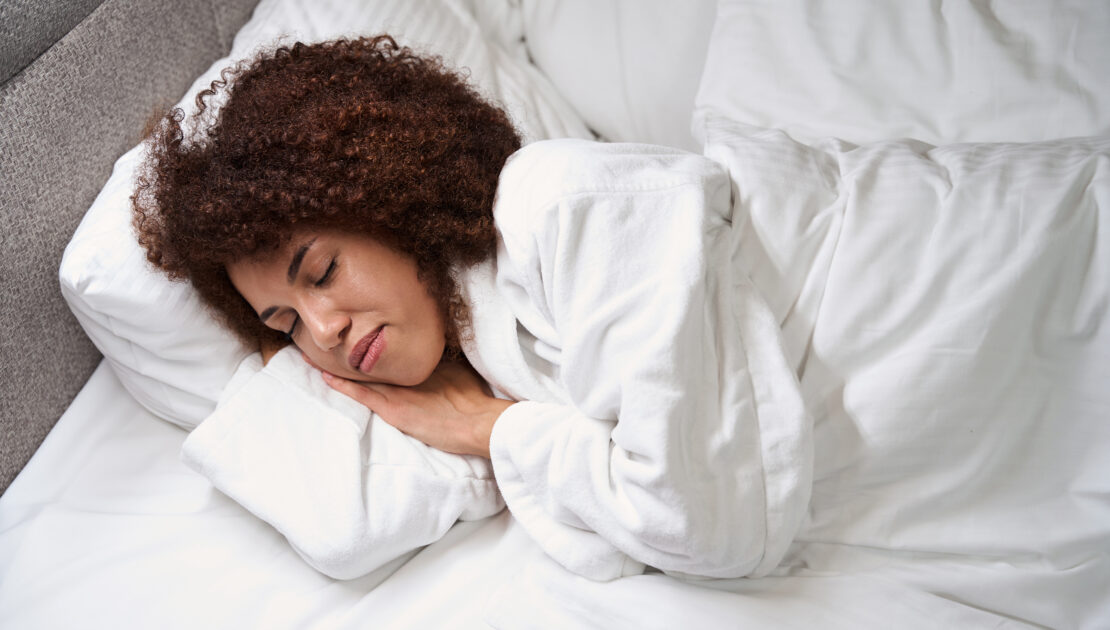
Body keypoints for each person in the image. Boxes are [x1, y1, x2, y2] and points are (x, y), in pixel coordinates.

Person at [133, 36, 812, 581]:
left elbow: (711, 525)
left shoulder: (558, 208)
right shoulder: (467, 352)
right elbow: (346, 533)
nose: (322, 329)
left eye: (323, 270)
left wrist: (493, 428)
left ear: (388, 202)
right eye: (283, 322)